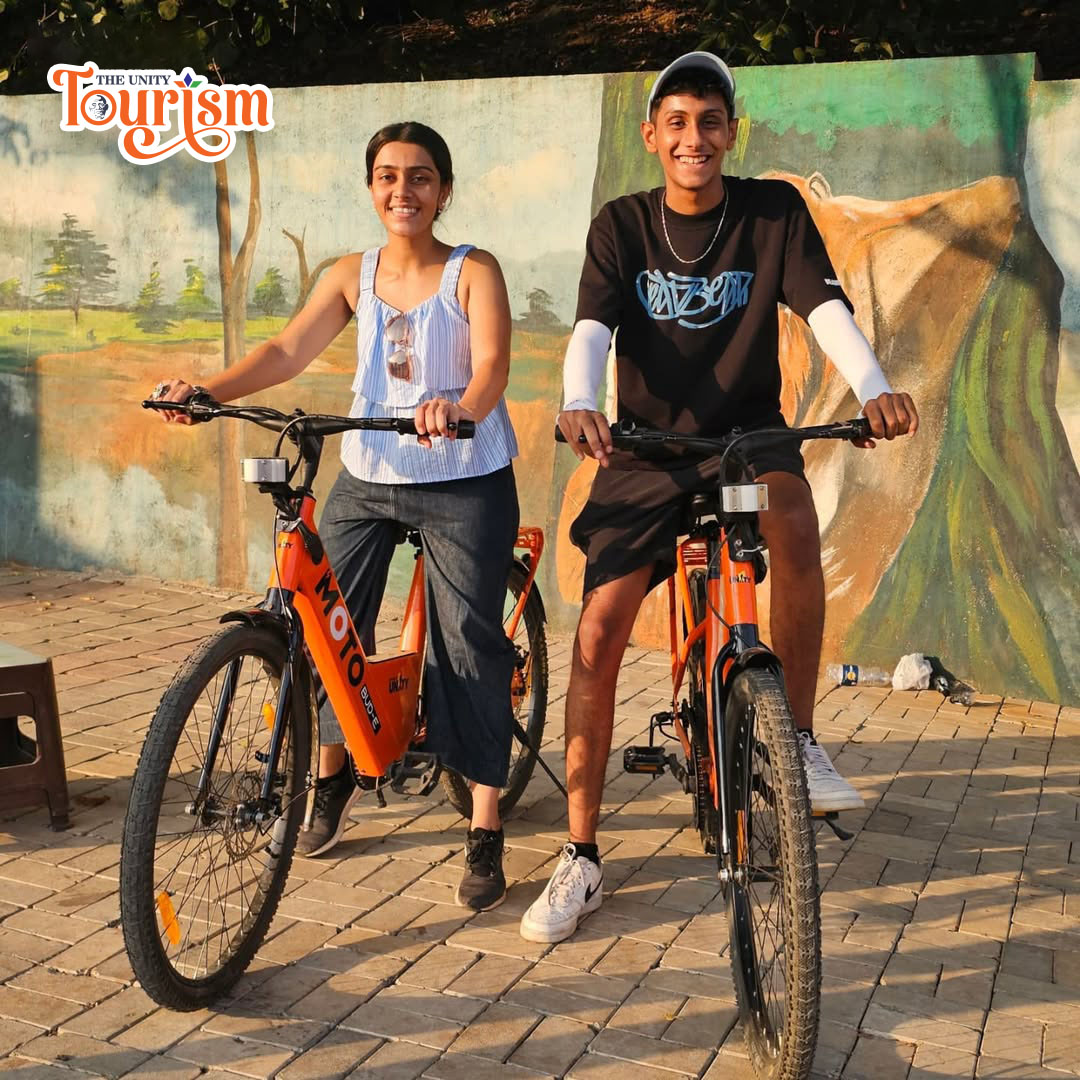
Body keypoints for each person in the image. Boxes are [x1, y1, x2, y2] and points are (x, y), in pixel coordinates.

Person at [520, 53, 919, 944]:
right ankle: (581, 855)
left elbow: (825, 310)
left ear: (731, 132)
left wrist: (875, 388)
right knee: (598, 630)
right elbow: (592, 327)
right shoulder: (623, 224)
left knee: (794, 519)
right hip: (646, 447)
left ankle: (798, 740)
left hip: (746, 436)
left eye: (710, 121)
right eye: (677, 122)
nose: (693, 137)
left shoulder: (773, 213)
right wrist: (580, 400)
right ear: (651, 135)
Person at [153, 121, 519, 912]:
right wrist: (210, 391)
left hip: (463, 475)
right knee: (322, 624)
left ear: (444, 191)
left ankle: (485, 824)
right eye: (387, 176)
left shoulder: (473, 270)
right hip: (372, 471)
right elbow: (287, 350)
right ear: (371, 188)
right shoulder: (353, 274)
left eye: (419, 176)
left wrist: (461, 407)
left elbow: (492, 365)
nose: (402, 190)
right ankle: (331, 777)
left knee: (467, 644)